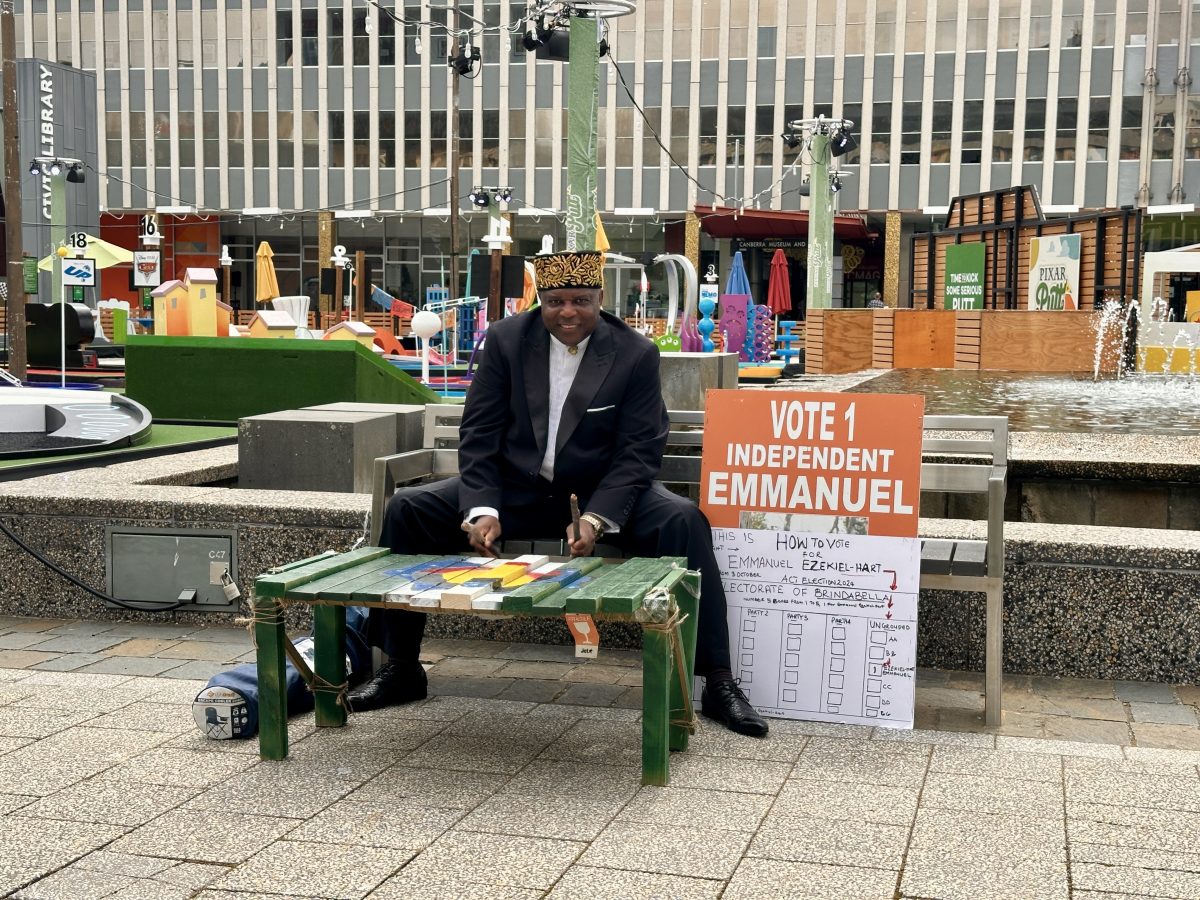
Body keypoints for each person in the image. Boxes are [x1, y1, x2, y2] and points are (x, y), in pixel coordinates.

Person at [348, 250, 768, 738]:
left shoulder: (634, 353)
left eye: (581, 301)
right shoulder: (506, 341)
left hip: (599, 495)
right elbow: (479, 434)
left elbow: (639, 451)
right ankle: (401, 668)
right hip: (516, 493)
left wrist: (596, 518)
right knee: (408, 510)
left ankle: (717, 681)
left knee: (685, 522)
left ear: (601, 298)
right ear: (540, 301)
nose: (568, 312)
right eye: (555, 301)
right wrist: (482, 508)